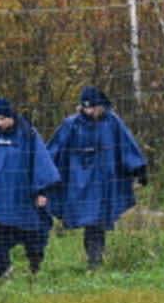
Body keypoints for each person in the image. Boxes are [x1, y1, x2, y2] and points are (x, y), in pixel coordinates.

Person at [46, 86, 149, 268]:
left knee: (98, 220)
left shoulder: (112, 122)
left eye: (93, 107)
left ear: (101, 106)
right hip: (79, 183)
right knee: (90, 219)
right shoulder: (71, 125)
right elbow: (54, 150)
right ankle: (94, 258)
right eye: (86, 108)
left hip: (104, 181)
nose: (89, 112)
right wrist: (42, 173)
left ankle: (96, 259)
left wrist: (138, 168)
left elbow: (126, 144)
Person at [0, 98, 61, 278]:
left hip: (23, 198)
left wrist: (42, 192)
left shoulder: (28, 136)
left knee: (32, 234)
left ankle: (35, 266)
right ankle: (2, 271)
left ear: (11, 117)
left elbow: (41, 163)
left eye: (2, 119)